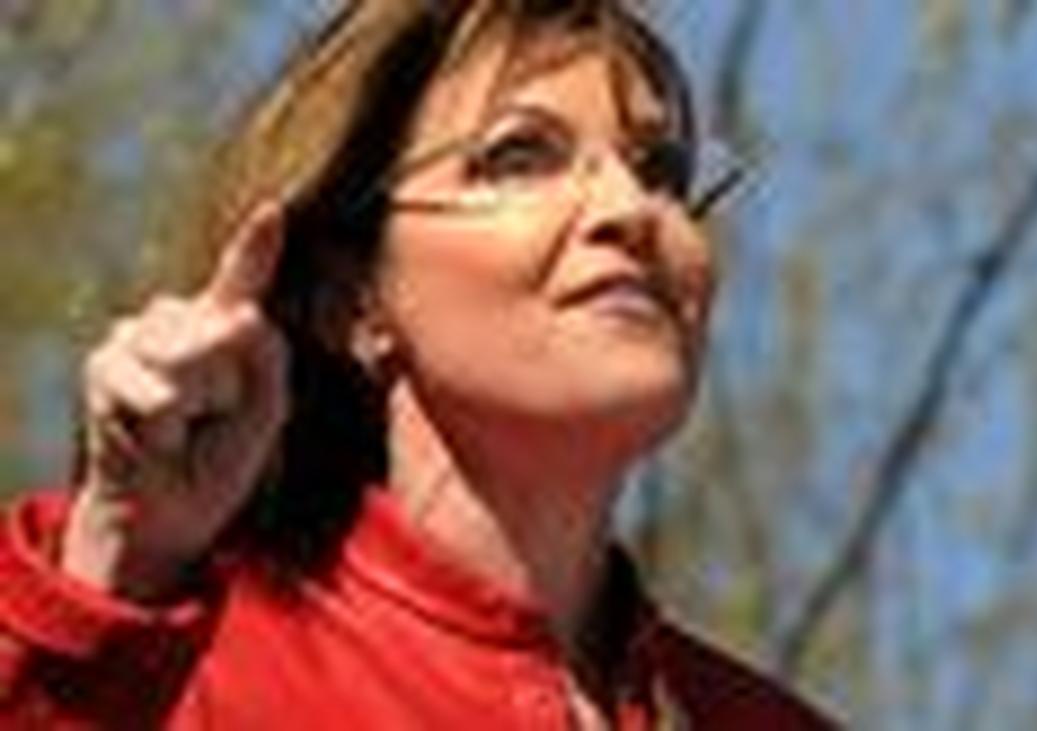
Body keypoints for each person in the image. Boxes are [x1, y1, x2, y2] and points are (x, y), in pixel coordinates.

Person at [0, 0, 838, 728]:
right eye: (521, 156)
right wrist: (114, 581)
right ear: (352, 299)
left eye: (661, 171)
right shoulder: (164, 647)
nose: (632, 208)